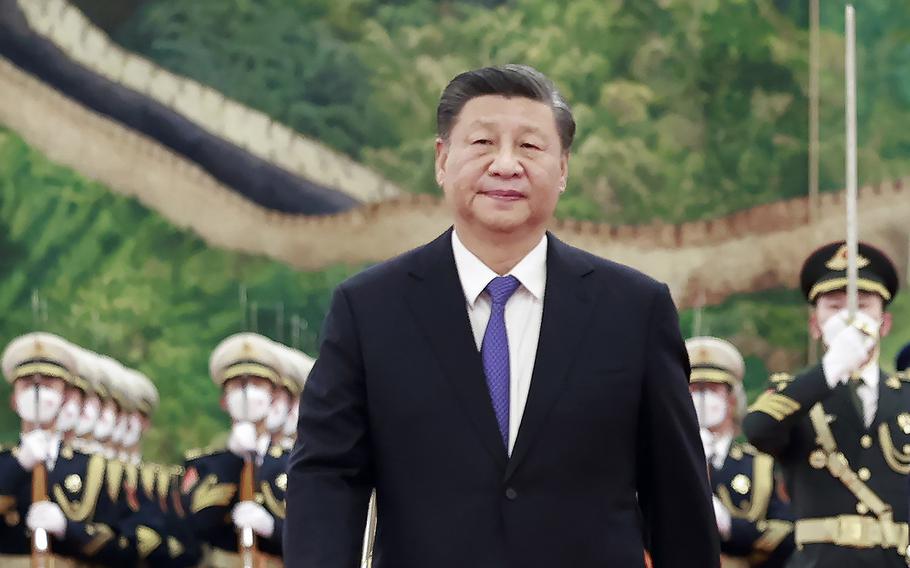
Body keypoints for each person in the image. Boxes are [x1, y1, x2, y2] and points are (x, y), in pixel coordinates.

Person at [285, 64, 719, 568]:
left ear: (563, 170)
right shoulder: (370, 309)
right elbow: (326, 480)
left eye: (531, 147)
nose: (506, 165)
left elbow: (678, 498)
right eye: (483, 144)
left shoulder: (633, 310)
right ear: (442, 160)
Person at [743, 241, 910, 566]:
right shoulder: (795, 395)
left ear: (884, 324)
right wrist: (831, 369)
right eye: (834, 308)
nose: (849, 319)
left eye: (863, 306)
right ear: (815, 325)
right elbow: (758, 429)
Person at [687, 336, 795, 567]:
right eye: (695, 389)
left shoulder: (760, 464)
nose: (702, 399)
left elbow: (788, 533)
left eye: (713, 389)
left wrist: (728, 526)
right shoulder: (662, 463)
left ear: (732, 399)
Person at [182, 332, 286, 568]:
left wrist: (273, 529)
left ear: (274, 397)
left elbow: (310, 533)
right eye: (238, 385)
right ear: (224, 401)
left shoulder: (292, 463)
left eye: (258, 384)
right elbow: (197, 525)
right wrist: (233, 458)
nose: (247, 393)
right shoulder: (206, 464)